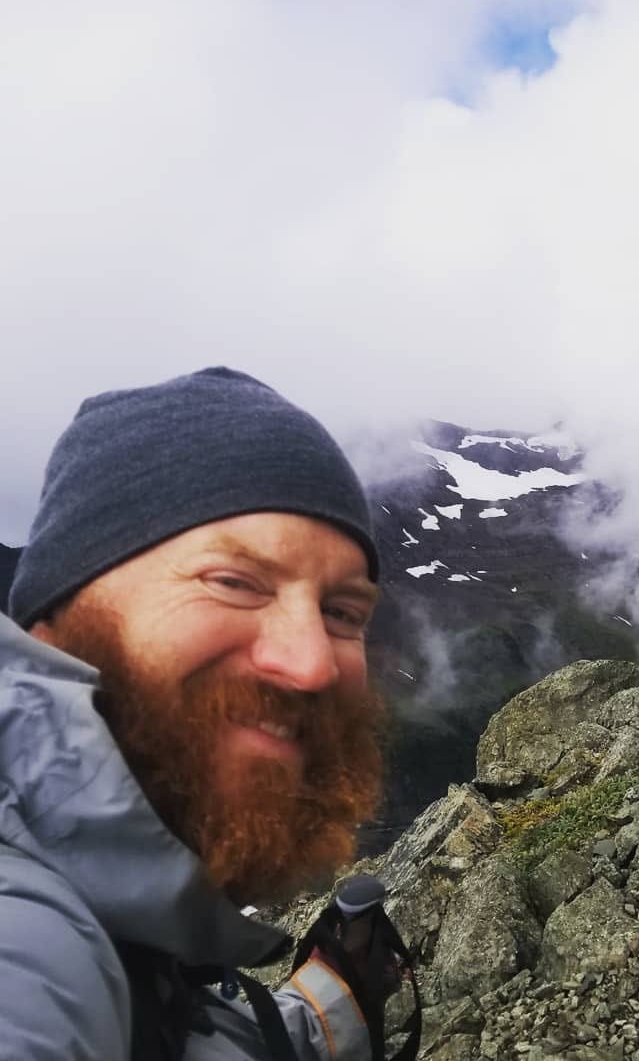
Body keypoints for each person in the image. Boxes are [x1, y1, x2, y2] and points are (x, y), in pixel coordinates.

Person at [0, 367, 388, 1059]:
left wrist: (337, 999)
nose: (312, 665)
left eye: (342, 612)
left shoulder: (122, 924)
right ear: (52, 621)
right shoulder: (28, 944)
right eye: (233, 582)